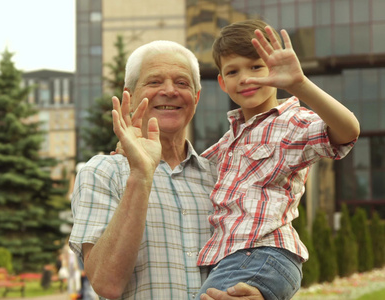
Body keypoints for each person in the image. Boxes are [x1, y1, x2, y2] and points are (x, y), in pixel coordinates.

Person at [70, 40, 264, 299]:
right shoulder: (103, 172)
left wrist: (262, 294)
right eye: (154, 82)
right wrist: (140, 175)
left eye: (182, 83)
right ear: (130, 93)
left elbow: (267, 254)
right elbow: (106, 284)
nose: (170, 91)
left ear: (196, 97)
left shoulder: (225, 175)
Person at [195, 20, 360, 300]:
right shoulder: (226, 143)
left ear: (275, 70)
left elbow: (348, 131)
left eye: (256, 66)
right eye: (233, 71)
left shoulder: (290, 123)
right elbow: (186, 167)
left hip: (262, 253)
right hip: (236, 259)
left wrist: (300, 85)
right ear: (222, 82)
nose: (245, 78)